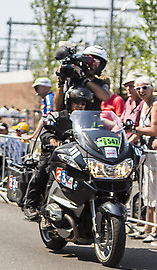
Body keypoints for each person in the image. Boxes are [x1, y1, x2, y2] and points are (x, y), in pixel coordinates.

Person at [23, 86, 93, 220]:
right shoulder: (58, 117)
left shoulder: (89, 121)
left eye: (83, 103)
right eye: (77, 102)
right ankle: (30, 204)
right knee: (43, 171)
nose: (80, 105)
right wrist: (52, 140)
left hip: (79, 157)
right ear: (69, 102)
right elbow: (46, 131)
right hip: (55, 154)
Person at [129, 76, 157, 242]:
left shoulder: (155, 105)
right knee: (147, 190)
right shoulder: (143, 105)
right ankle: (148, 225)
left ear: (152, 88)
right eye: (138, 88)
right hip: (146, 153)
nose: (141, 91)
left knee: (153, 190)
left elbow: (154, 129)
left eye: (144, 87)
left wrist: (134, 129)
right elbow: (137, 133)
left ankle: (154, 228)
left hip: (154, 155)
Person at [53, 45, 111, 112]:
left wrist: (84, 79)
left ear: (101, 65)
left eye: (96, 62)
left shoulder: (100, 84)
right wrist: (61, 82)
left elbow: (106, 97)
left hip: (91, 120)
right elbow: (57, 108)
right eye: (89, 60)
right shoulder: (70, 80)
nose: (92, 64)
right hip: (69, 120)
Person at [121, 72, 144, 142]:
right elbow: (121, 122)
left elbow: (141, 131)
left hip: (137, 145)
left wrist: (127, 144)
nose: (128, 88)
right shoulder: (128, 102)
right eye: (126, 86)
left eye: (131, 86)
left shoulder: (144, 103)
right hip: (124, 140)